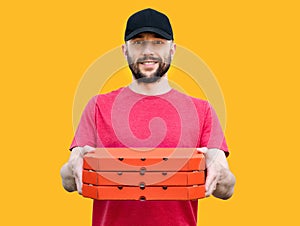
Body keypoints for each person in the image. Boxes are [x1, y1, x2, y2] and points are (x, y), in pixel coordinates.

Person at [60, 8, 236, 226]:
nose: (148, 51)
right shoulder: (98, 106)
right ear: (125, 50)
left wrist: (219, 172)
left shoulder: (202, 110)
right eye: (138, 42)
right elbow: (69, 178)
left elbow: (226, 189)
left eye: (158, 42)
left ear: (173, 50)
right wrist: (72, 167)